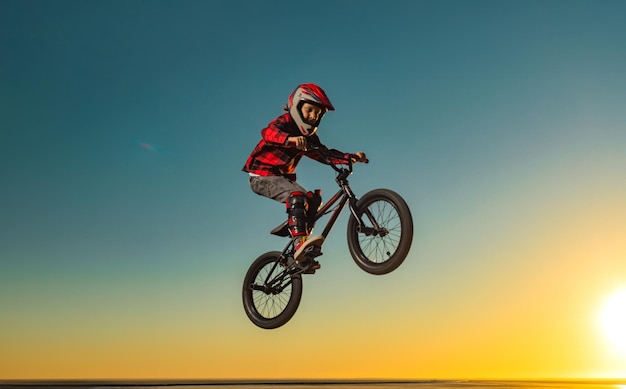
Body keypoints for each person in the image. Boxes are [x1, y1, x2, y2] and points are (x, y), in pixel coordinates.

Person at [242, 83, 366, 272]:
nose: (313, 117)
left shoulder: (308, 138)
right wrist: (289, 139)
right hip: (261, 175)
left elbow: (325, 154)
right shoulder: (284, 123)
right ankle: (300, 241)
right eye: (309, 111)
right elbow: (268, 133)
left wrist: (350, 157)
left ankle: (299, 254)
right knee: (297, 197)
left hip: (281, 178)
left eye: (317, 114)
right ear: (297, 106)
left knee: (313, 199)